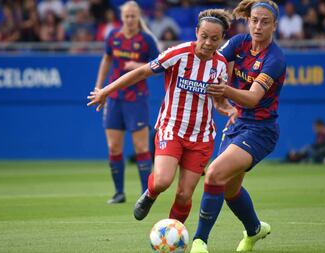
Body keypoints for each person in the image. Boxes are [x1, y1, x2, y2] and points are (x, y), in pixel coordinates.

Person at [88, 9, 236, 223]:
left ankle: (171, 235)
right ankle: (150, 194)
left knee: (184, 195)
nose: (207, 43)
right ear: (196, 32)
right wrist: (105, 91)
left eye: (214, 39)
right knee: (162, 181)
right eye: (204, 36)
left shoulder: (221, 65)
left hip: (201, 137)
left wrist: (229, 109)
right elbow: (140, 72)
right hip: (171, 128)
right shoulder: (178, 54)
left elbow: (219, 101)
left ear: (222, 39)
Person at [190, 1, 286, 252]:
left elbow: (253, 98)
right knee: (230, 189)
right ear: (247, 20)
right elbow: (213, 60)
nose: (258, 26)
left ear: (274, 25)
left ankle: (199, 241)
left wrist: (224, 91)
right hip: (237, 124)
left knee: (214, 173)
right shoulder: (239, 43)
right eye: (254, 20)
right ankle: (255, 230)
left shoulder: (274, 59)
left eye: (265, 21)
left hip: (261, 130)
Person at [93, 1, 159, 204]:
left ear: (138, 17)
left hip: (136, 99)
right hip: (114, 98)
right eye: (127, 16)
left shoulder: (146, 40)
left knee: (141, 147)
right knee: (113, 147)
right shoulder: (113, 36)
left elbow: (159, 65)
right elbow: (106, 59)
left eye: (133, 16)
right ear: (121, 17)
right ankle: (119, 192)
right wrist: (99, 88)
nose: (130, 19)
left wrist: (137, 65)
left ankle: (145, 194)